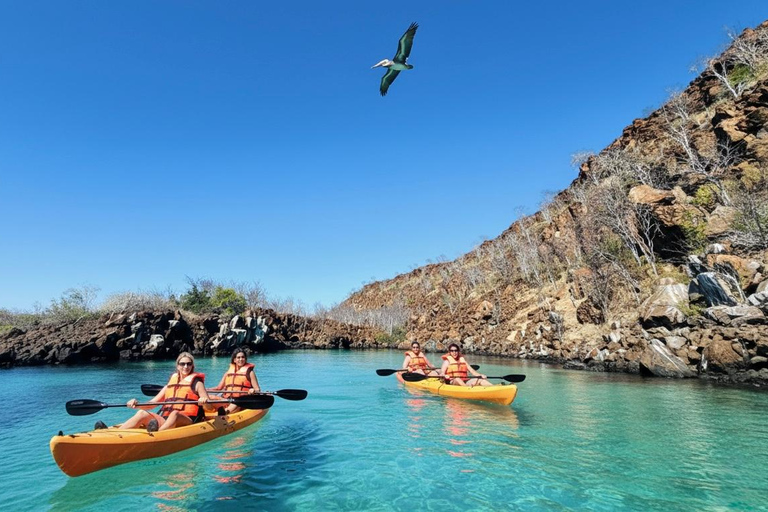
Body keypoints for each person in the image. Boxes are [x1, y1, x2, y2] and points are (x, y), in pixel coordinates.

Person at [115, 352, 211, 432]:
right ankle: (117, 434)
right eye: (182, 364)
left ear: (192, 366)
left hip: (188, 420)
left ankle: (157, 435)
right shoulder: (169, 385)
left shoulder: (197, 383)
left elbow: (209, 407)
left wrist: (204, 402)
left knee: (175, 413)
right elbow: (152, 404)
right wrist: (136, 404)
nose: (186, 366)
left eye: (189, 364)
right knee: (141, 413)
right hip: (167, 419)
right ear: (178, 366)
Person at [209, 348, 261, 414]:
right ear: (234, 360)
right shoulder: (228, 373)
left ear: (245, 359)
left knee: (237, 401)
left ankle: (226, 412)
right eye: (238, 357)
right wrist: (205, 390)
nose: (241, 359)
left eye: (243, 357)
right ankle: (208, 413)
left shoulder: (250, 372)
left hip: (241, 402)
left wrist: (253, 390)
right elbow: (218, 388)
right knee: (208, 397)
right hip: (227, 400)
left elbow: (257, 389)